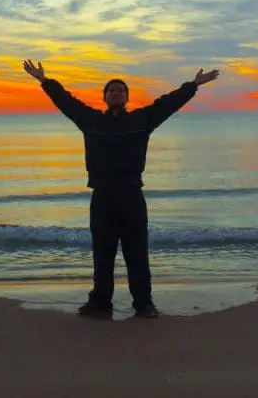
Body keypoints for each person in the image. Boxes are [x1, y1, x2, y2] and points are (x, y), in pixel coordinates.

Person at [22, 59, 220, 319]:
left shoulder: (141, 120)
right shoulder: (91, 120)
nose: (116, 93)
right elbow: (67, 102)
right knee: (102, 254)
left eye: (120, 90)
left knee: (137, 252)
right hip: (102, 196)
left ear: (127, 98)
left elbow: (167, 104)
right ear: (104, 97)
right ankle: (100, 302)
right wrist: (44, 81)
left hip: (131, 196)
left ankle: (144, 303)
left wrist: (193, 85)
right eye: (111, 90)